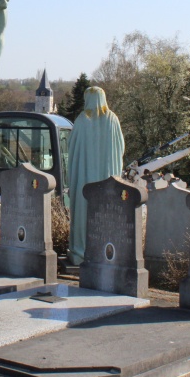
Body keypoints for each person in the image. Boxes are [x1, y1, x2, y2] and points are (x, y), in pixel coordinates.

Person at [66, 86, 125, 265]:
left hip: (84, 180)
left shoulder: (82, 120)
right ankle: (105, 251)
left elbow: (71, 147)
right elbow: (120, 147)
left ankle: (80, 252)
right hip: (107, 179)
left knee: (84, 212)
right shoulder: (112, 119)